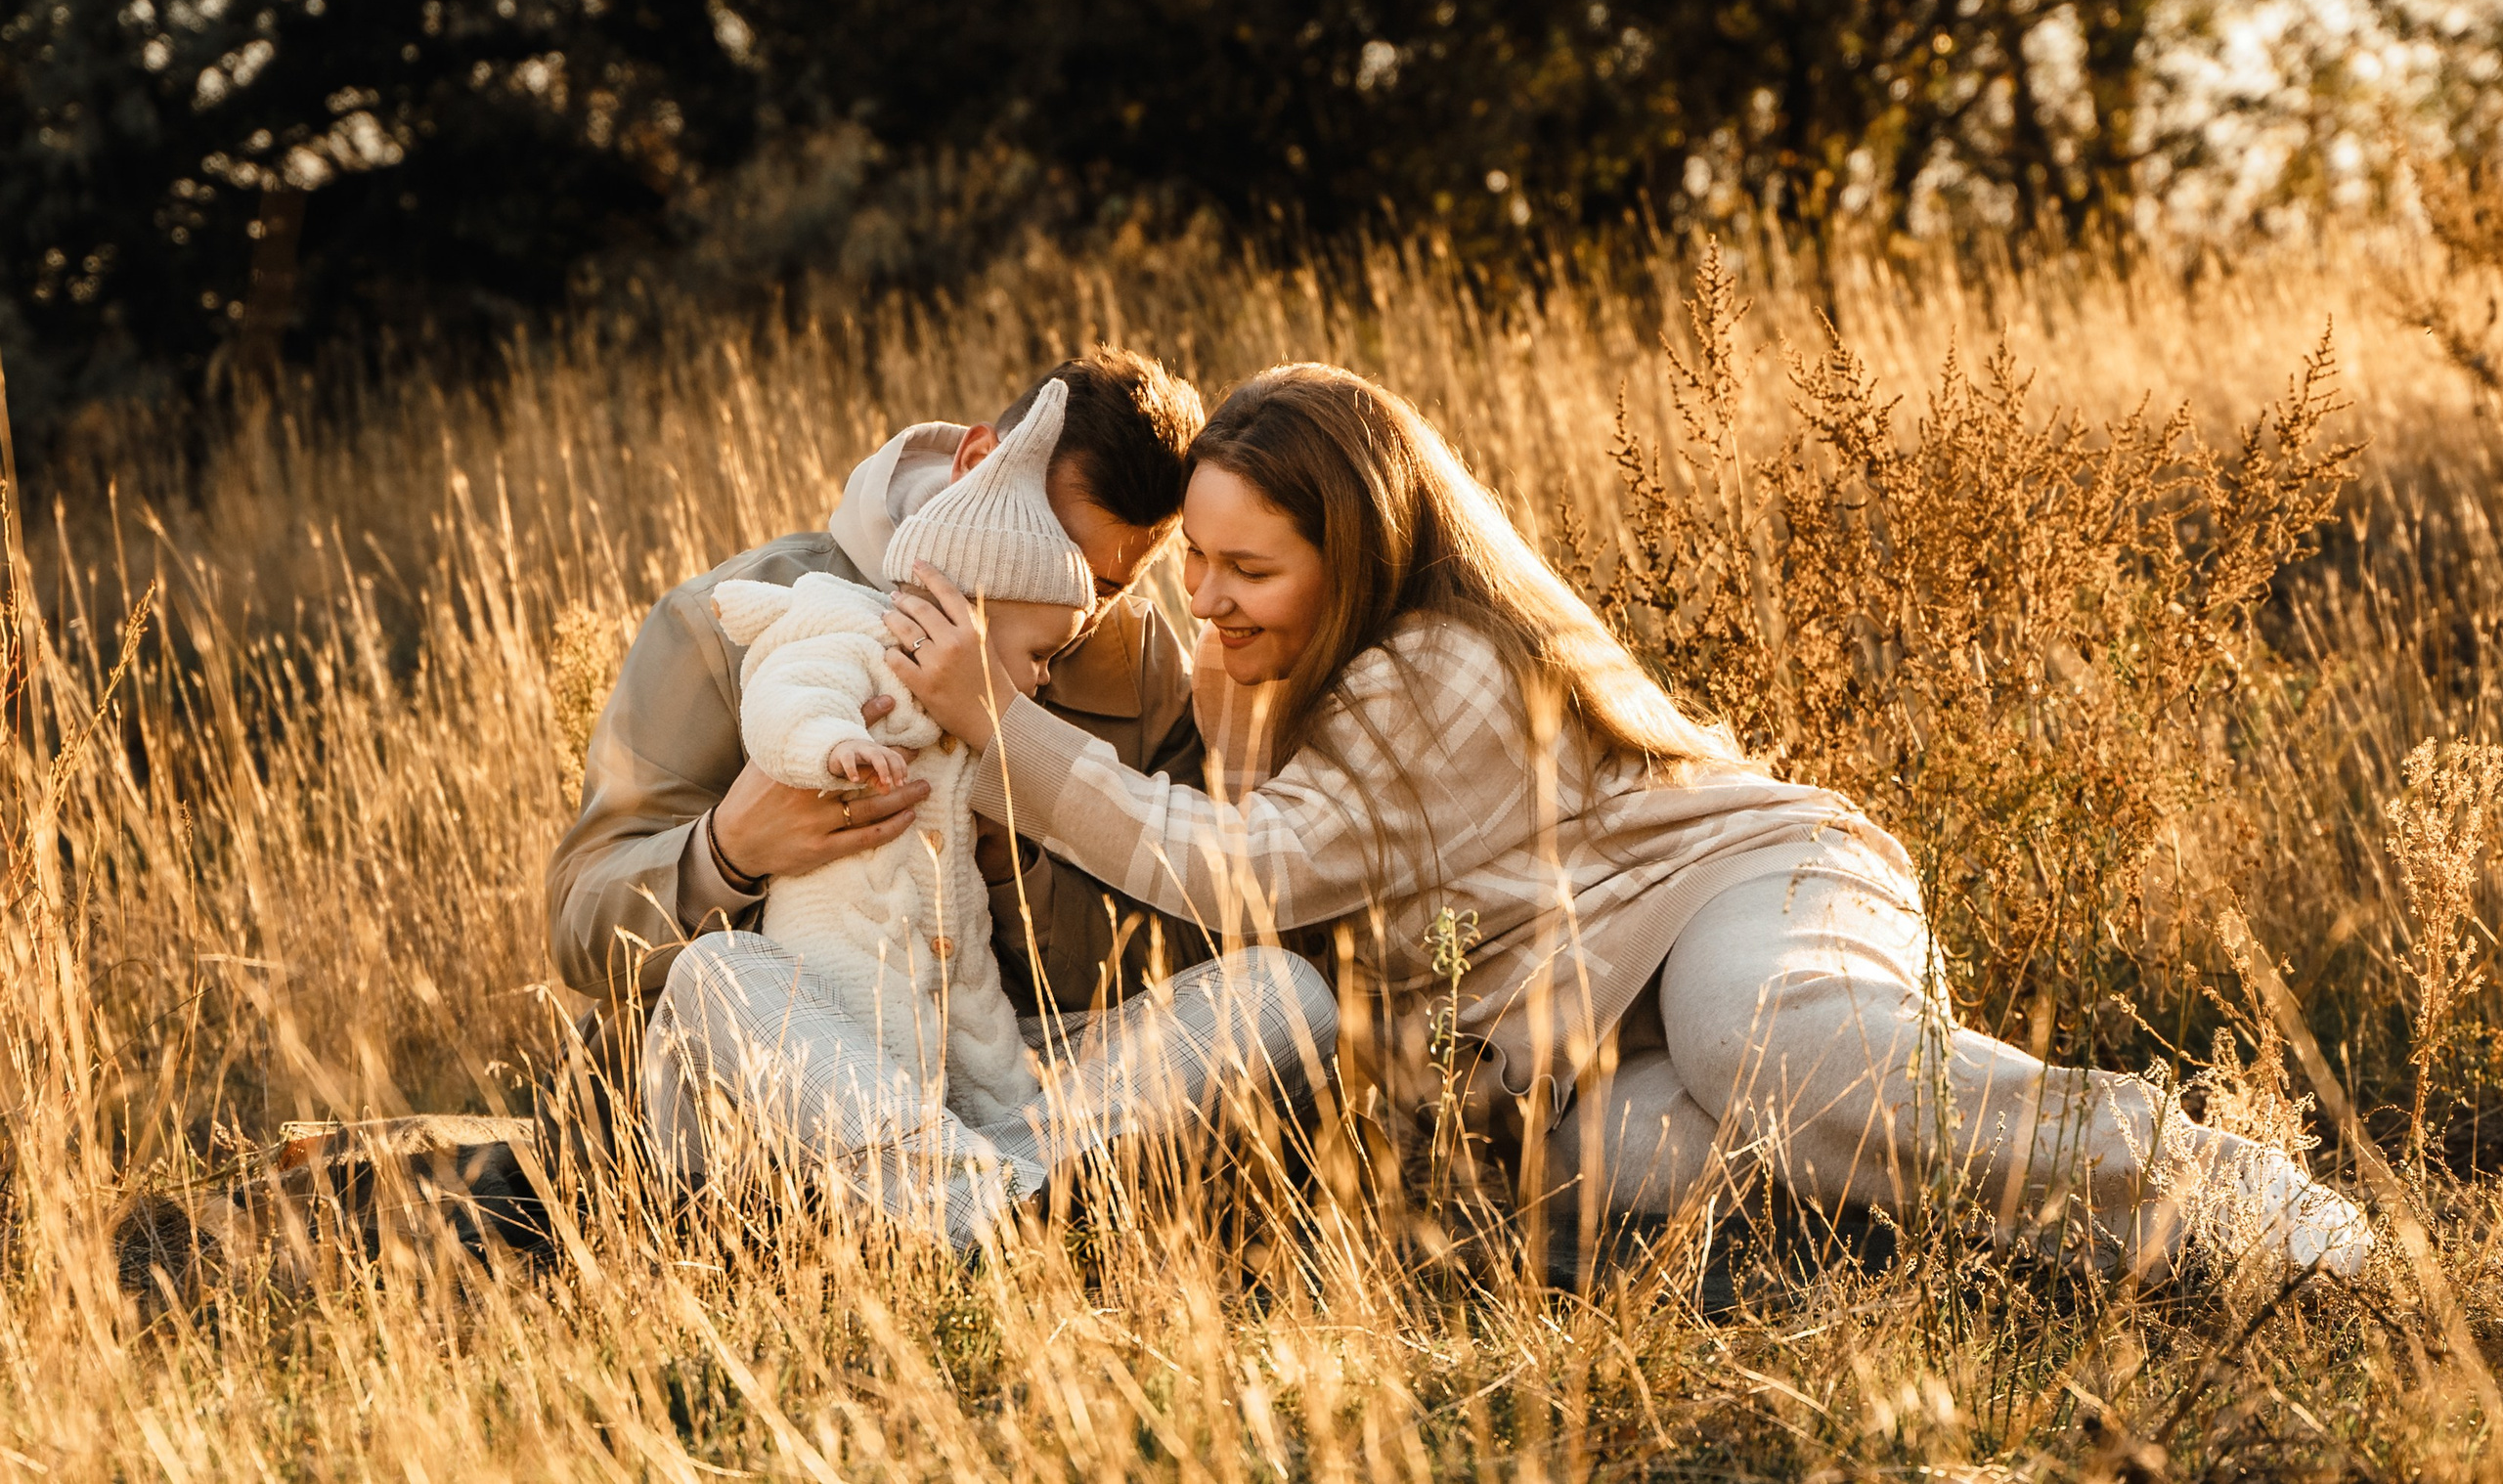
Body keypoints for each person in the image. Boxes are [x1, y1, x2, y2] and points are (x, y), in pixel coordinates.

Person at [883, 363, 2373, 1281]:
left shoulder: (1439, 664)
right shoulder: (1269, 672)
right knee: (1602, 1190)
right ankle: (1980, 1250)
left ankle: (2236, 1203)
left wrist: (994, 725)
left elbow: (1250, 871)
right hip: (1582, 1036)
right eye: (1193, 561)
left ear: (1362, 550)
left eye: (1248, 569)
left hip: (1738, 890)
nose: (1203, 598)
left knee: (1768, 1047)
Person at [547, 349, 1217, 1095]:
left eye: (1102, 586)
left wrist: (1009, 852)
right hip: (795, 1074)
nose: (1070, 603)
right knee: (720, 977)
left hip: (1012, 1061)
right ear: (975, 464)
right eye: (1045, 544)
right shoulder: (726, 621)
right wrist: (729, 852)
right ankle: (983, 1181)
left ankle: (988, 1174)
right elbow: (580, 925)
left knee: (1281, 995)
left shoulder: (1141, 661)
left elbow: (1188, 947)